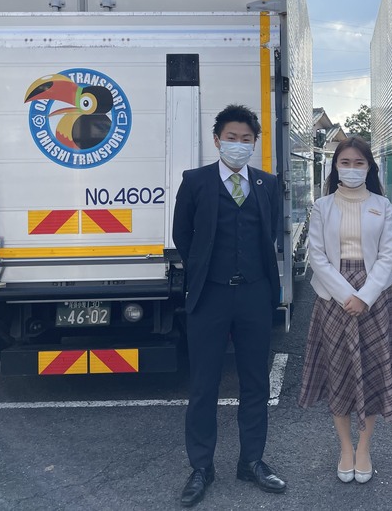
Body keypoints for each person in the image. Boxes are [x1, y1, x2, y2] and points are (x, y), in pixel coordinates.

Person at [172, 104, 286, 507]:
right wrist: (208, 269)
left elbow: (270, 232)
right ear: (217, 140)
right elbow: (183, 234)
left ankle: (251, 461)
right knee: (204, 384)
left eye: (246, 139)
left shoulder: (267, 183)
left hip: (254, 294)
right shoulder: (195, 181)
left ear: (255, 143)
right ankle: (201, 466)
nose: (239, 145)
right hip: (210, 295)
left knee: (255, 382)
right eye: (231, 138)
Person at [299, 137, 392, 484]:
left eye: (359, 163)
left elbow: (388, 255)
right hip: (333, 297)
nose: (352, 169)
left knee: (371, 371)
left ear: (369, 167)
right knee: (338, 372)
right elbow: (317, 256)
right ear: (335, 167)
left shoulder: (382, 205)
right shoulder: (322, 206)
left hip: (374, 296)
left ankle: (364, 448)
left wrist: (365, 296)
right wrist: (347, 295)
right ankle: (345, 447)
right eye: (345, 162)